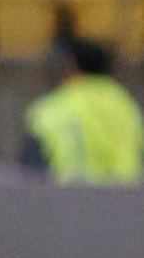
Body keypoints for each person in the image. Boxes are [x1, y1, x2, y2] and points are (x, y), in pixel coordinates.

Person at [23, 38, 144, 185]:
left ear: (72, 67)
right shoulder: (128, 108)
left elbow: (30, 172)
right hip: (128, 201)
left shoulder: (51, 109)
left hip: (69, 200)